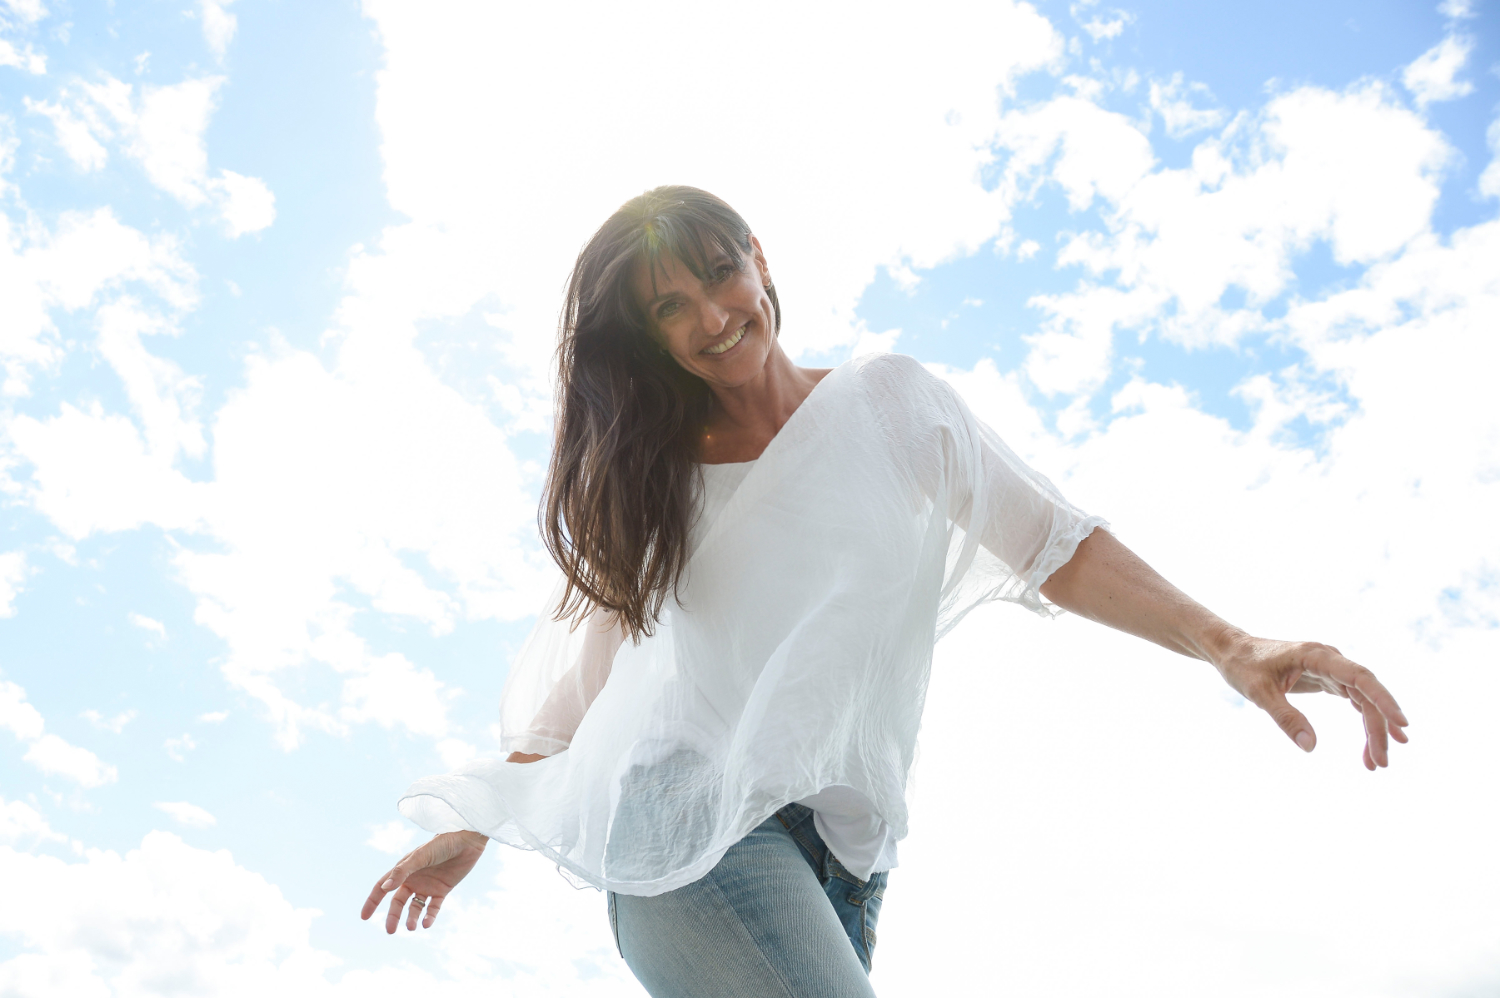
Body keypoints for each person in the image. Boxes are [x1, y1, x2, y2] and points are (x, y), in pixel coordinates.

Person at [360, 186, 1408, 997]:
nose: (711, 319)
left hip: (851, 867)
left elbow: (1055, 541)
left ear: (760, 260)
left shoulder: (888, 403)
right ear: (649, 340)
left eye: (719, 275)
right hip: (688, 830)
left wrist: (1231, 645)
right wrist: (488, 817)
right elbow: (580, 691)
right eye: (670, 310)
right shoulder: (654, 481)